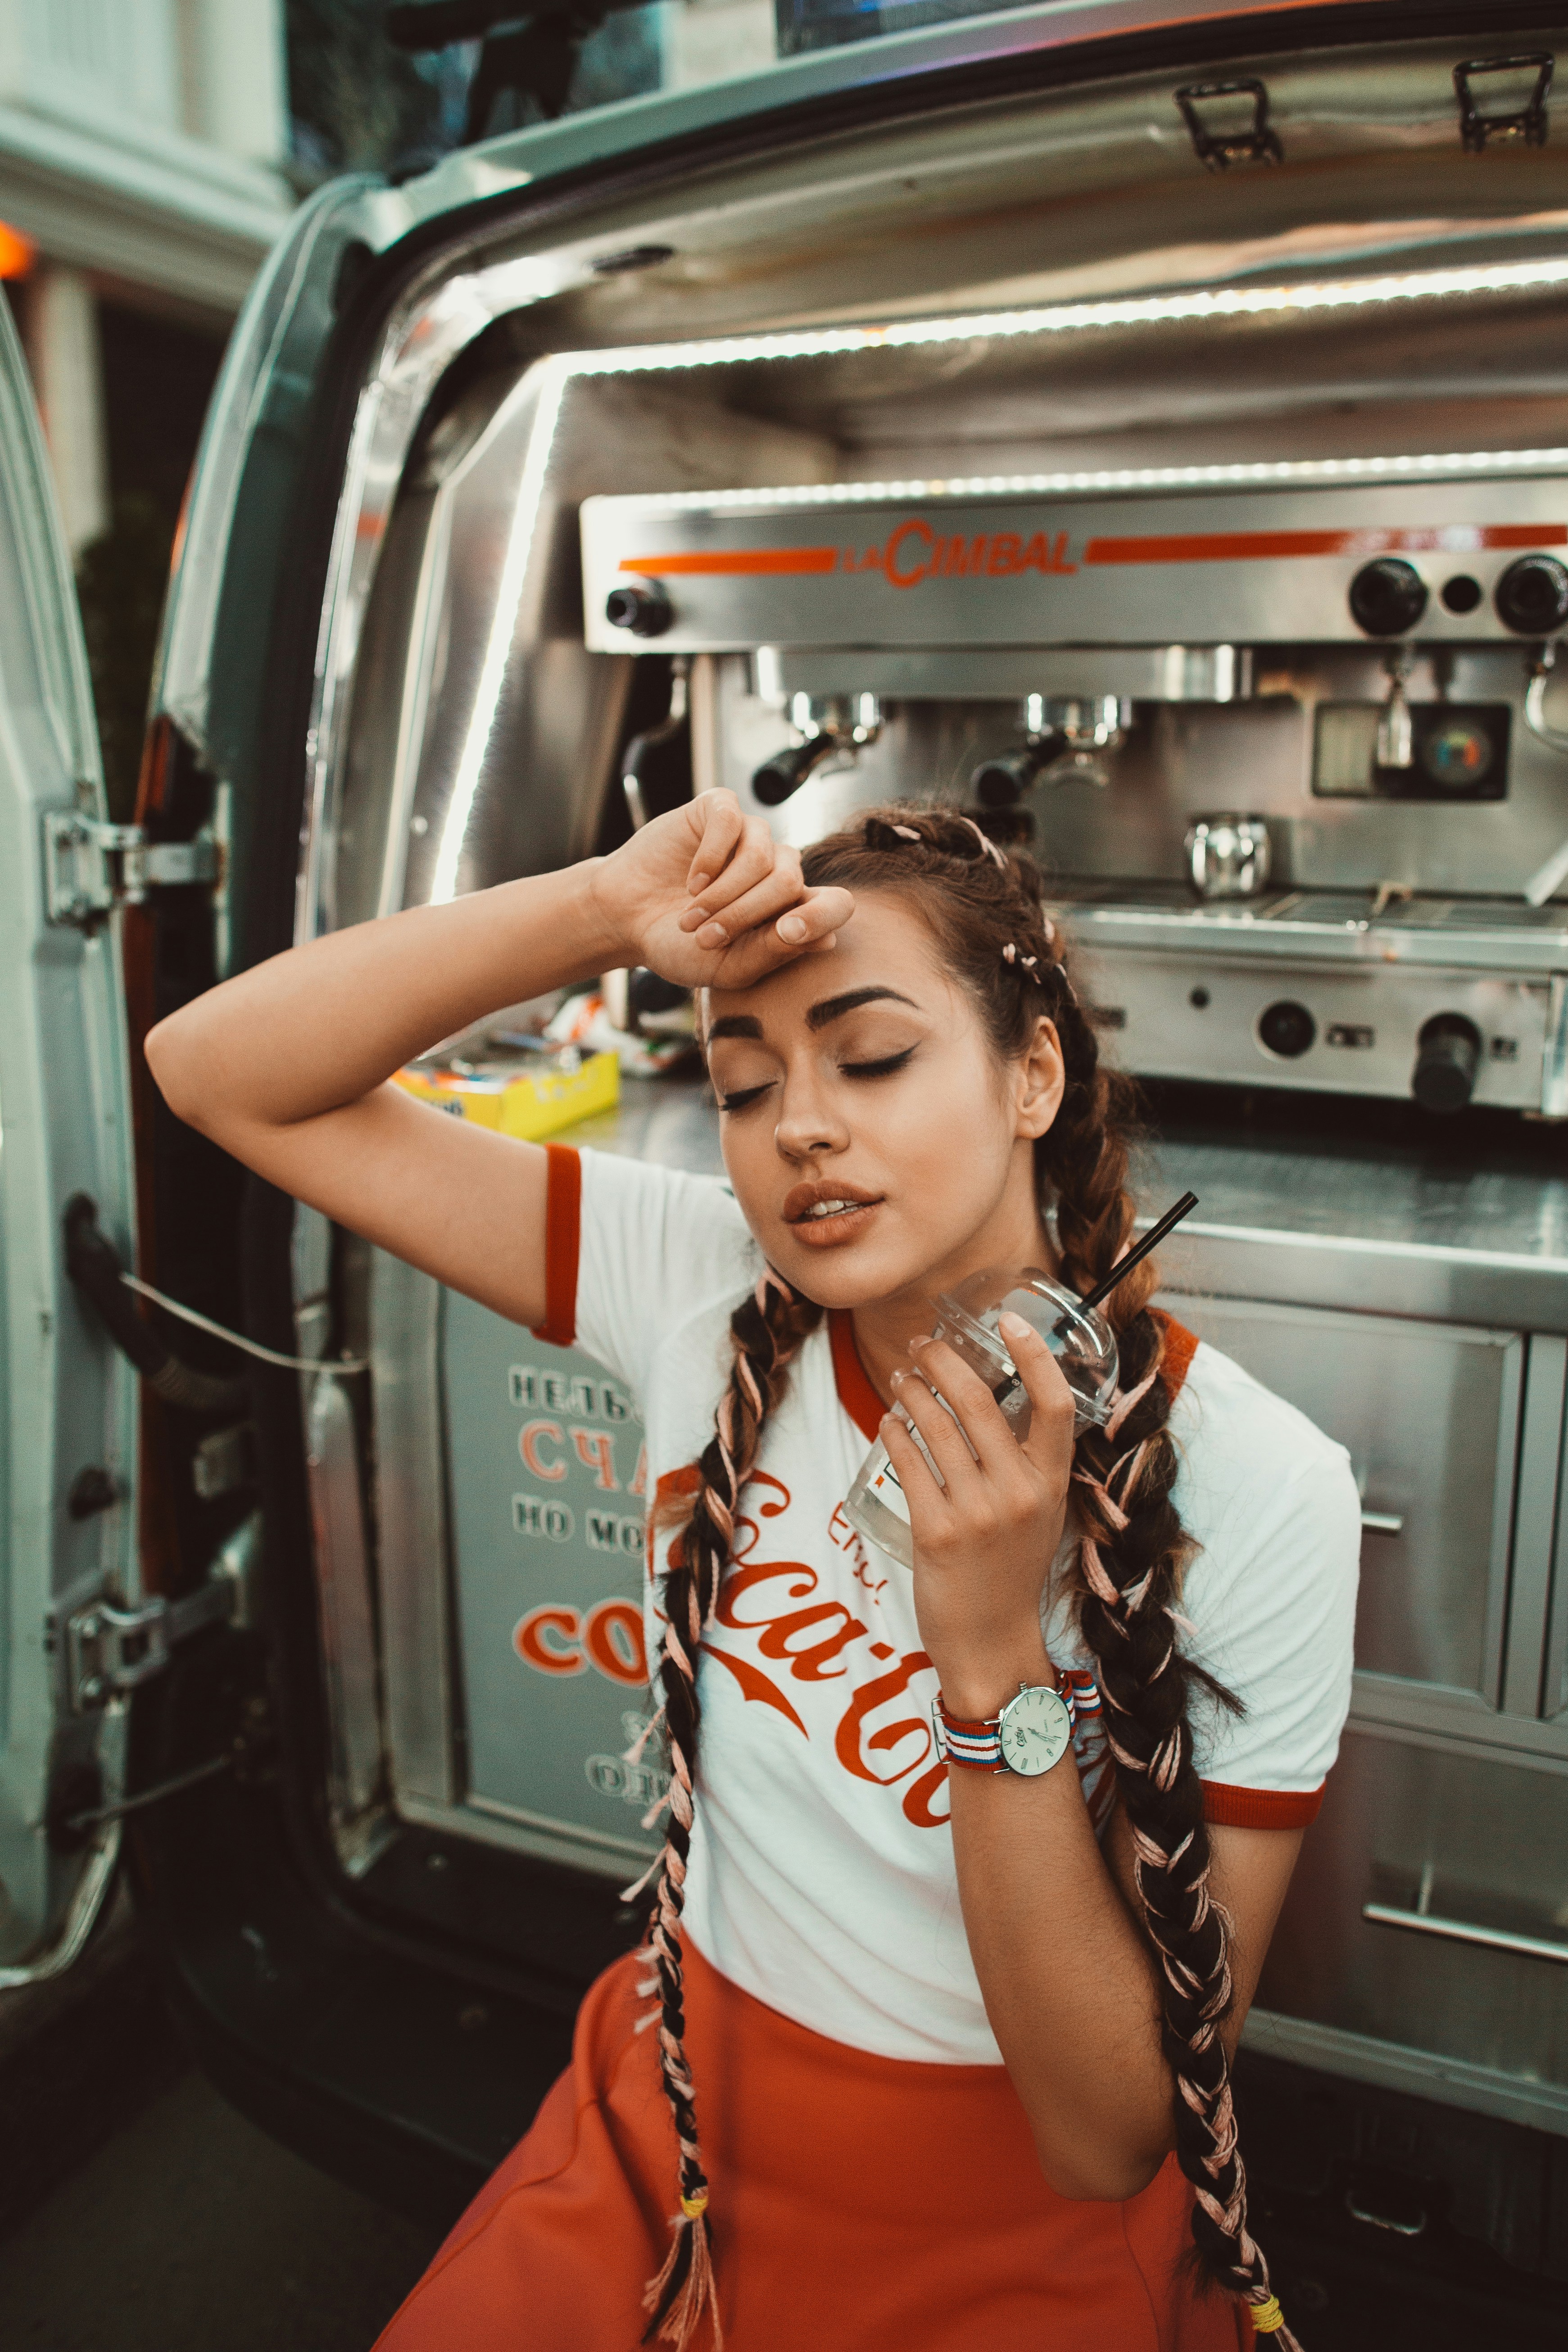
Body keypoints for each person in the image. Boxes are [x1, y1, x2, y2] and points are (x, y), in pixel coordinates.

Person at [146, 791, 1360, 2352]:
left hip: (998, 2229)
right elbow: (216, 1074)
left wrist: (988, 1660)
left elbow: (1105, 2132)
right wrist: (597, 905)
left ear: (1032, 1074)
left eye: (870, 1059)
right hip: (671, 2128)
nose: (796, 1127)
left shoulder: (1263, 1489)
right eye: (739, 1083)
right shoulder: (699, 1281)